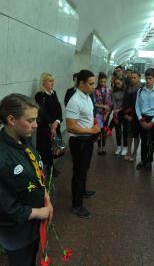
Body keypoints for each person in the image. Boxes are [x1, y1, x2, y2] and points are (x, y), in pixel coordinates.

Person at [0, 93, 53, 266]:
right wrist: (38, 212)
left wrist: (46, 199)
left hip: (33, 225)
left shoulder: (24, 141)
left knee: (31, 259)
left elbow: (37, 174)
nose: (36, 125)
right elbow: (2, 206)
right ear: (12, 119)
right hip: (17, 232)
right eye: (30, 120)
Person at [66, 69, 100, 219]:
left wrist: (94, 129)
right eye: (91, 84)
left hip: (87, 139)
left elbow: (88, 117)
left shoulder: (87, 96)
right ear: (81, 83)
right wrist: (90, 130)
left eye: (94, 83)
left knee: (84, 168)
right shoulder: (75, 101)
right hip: (79, 141)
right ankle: (77, 204)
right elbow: (71, 126)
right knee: (79, 172)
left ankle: (83, 191)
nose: (94, 86)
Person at [135, 68, 154, 170]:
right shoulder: (140, 91)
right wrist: (140, 119)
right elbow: (137, 106)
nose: (148, 81)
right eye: (146, 78)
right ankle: (143, 159)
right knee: (143, 140)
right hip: (143, 118)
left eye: (150, 78)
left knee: (151, 141)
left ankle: (149, 161)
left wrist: (152, 122)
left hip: (153, 118)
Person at [34, 73, 63, 177]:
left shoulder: (53, 93)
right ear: (43, 82)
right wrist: (51, 125)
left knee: (54, 147)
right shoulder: (40, 95)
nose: (52, 83)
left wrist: (58, 121)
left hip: (55, 125)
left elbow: (58, 109)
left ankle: (51, 167)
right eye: (50, 81)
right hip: (45, 128)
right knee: (45, 148)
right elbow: (42, 112)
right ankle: (44, 169)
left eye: (53, 81)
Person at [123, 70, 142, 161]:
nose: (132, 79)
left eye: (135, 78)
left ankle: (134, 153)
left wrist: (133, 116)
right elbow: (125, 101)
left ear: (139, 78)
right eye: (131, 78)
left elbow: (139, 104)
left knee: (136, 135)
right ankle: (128, 151)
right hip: (127, 114)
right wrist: (125, 114)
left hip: (137, 116)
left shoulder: (141, 89)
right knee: (129, 134)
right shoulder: (128, 87)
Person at [93, 72, 113, 155]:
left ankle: (103, 146)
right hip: (98, 114)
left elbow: (110, 104)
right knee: (99, 130)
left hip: (106, 114)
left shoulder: (109, 90)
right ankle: (99, 147)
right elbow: (94, 103)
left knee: (104, 130)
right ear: (99, 81)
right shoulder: (95, 91)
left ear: (107, 81)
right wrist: (103, 106)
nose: (103, 83)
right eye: (101, 82)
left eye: (104, 82)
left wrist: (107, 114)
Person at [112, 75, 128, 155]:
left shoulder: (126, 90)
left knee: (125, 130)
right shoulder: (114, 90)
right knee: (117, 130)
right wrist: (115, 111)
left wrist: (119, 109)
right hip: (116, 112)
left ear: (122, 82)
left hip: (124, 111)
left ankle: (125, 147)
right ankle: (118, 146)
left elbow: (126, 102)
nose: (117, 85)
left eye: (118, 83)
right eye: (116, 83)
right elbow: (113, 101)